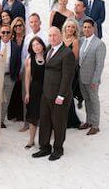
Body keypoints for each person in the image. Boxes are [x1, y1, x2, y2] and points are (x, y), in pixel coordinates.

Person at [32, 27, 76, 161]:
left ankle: (58, 149)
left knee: (59, 123)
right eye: (50, 35)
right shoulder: (49, 50)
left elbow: (68, 77)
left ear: (61, 36)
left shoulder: (67, 53)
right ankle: (45, 147)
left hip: (59, 96)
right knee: (45, 122)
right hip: (46, 94)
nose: (52, 38)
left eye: (55, 35)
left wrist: (61, 95)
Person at [78, 19, 107, 135]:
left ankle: (95, 125)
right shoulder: (81, 41)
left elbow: (100, 64)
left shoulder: (99, 44)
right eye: (84, 27)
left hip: (92, 79)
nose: (86, 29)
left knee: (94, 101)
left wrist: (95, 80)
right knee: (87, 100)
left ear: (93, 28)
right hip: (82, 77)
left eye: (89, 27)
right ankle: (88, 121)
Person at [0, 24, 22, 126]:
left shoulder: (16, 47)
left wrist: (15, 76)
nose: (5, 34)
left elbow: (18, 63)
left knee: (6, 100)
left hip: (9, 77)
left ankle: (0, 121)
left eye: (8, 32)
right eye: (3, 32)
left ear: (11, 34)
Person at [24, 37, 47, 149]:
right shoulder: (29, 59)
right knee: (33, 116)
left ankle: (45, 141)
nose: (36, 47)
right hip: (34, 90)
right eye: (33, 45)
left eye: (38, 44)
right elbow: (27, 77)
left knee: (45, 115)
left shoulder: (49, 56)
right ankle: (31, 140)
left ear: (42, 45)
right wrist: (27, 93)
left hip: (47, 89)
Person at [9, 17, 27, 125]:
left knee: (23, 92)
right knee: (15, 91)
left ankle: (22, 115)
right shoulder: (11, 39)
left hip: (25, 68)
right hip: (14, 68)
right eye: (16, 26)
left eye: (20, 25)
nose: (18, 27)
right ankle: (14, 114)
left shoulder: (27, 38)